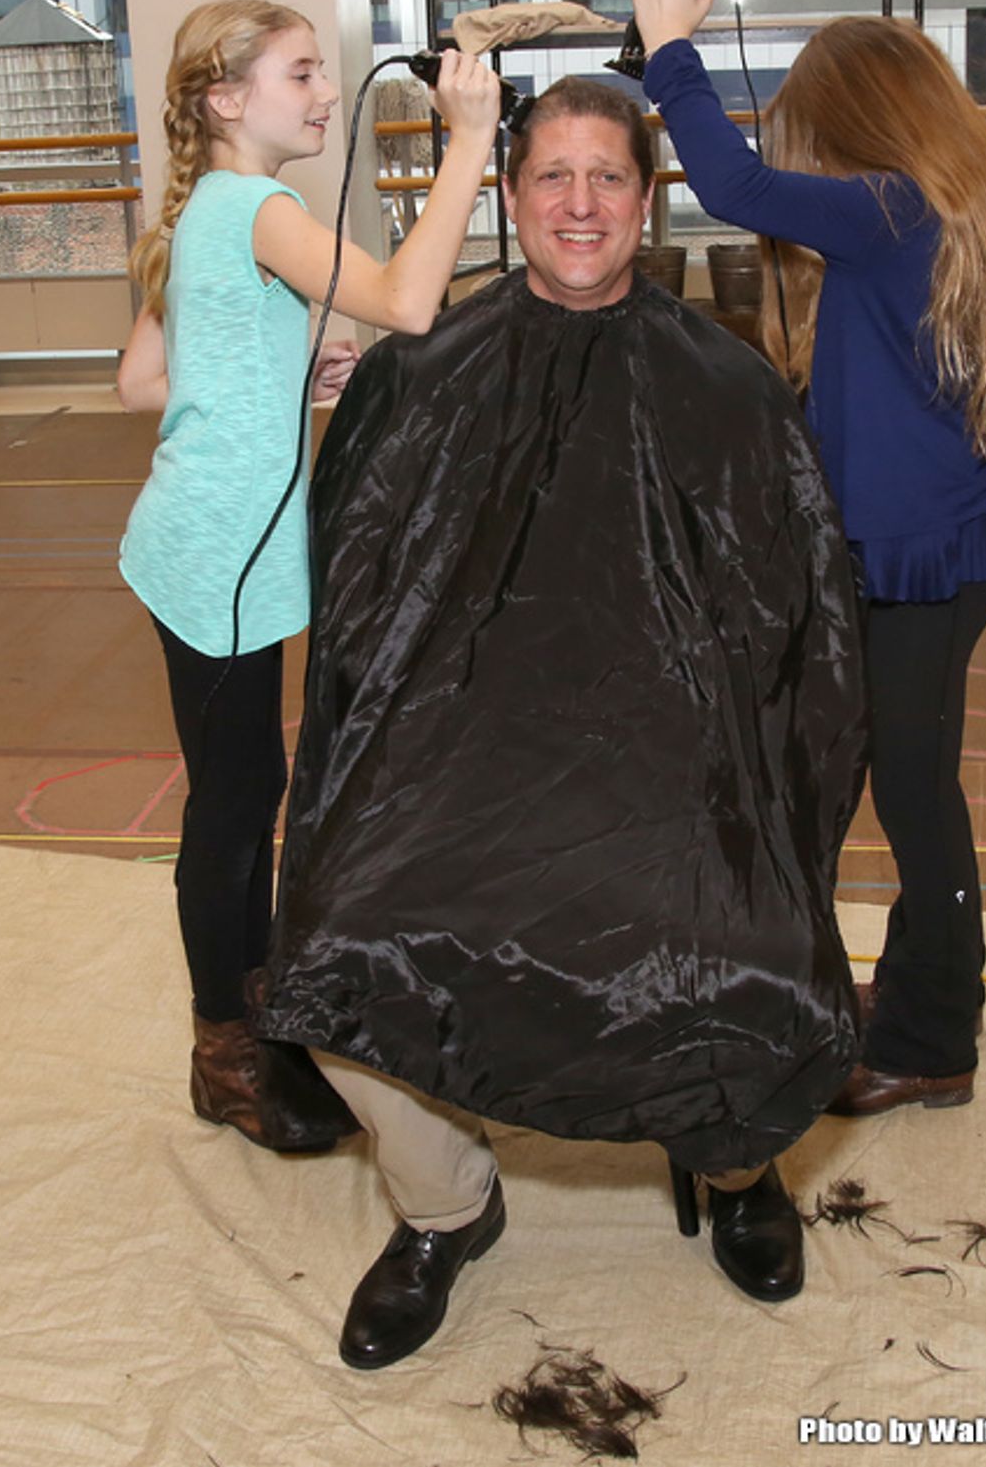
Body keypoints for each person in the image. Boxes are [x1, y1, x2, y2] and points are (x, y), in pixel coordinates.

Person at [254, 76, 866, 1368]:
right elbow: (369, 614)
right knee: (334, 943)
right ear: (509, 195)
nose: (580, 204)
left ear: (648, 203)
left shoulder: (728, 383)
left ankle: (736, 1165)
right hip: (462, 765)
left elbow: (795, 629)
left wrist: (746, 792)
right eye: (552, 177)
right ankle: (444, 1207)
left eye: (608, 178)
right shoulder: (425, 370)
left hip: (677, 774)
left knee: (757, 952)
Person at [632, 0, 986, 1117]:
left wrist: (666, 51)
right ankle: (920, 992)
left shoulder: (890, 207)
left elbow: (734, 187)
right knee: (905, 783)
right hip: (929, 541)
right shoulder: (929, 212)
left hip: (918, 555)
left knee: (915, 796)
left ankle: (931, 1034)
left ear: (850, 120)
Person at [116, 0, 500, 1154]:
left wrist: (285, 358)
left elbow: (145, 378)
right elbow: (407, 301)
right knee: (231, 812)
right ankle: (225, 1050)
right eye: (300, 75)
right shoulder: (259, 206)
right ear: (227, 100)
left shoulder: (203, 212)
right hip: (219, 554)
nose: (325, 93)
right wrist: (471, 140)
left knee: (245, 792)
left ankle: (254, 1016)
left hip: (200, 539)